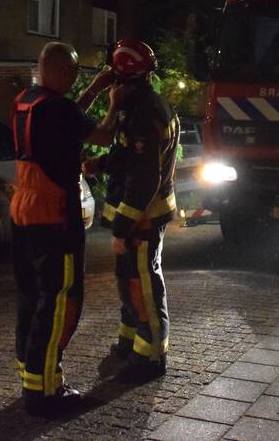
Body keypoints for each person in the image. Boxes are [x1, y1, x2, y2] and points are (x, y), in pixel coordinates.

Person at [10, 42, 117, 417]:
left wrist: (94, 90)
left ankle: (30, 375)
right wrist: (116, 102)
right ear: (55, 70)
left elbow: (70, 116)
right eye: (71, 72)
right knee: (59, 300)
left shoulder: (29, 100)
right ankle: (45, 394)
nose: (74, 79)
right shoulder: (58, 107)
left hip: (24, 210)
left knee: (30, 295)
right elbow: (101, 135)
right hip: (55, 215)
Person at [84, 39, 180, 383]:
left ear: (124, 79)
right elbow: (129, 156)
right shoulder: (134, 107)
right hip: (138, 215)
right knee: (128, 280)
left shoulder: (145, 113)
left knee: (143, 283)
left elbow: (144, 178)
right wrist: (102, 163)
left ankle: (151, 354)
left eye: (115, 77)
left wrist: (122, 228)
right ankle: (131, 339)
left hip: (143, 218)